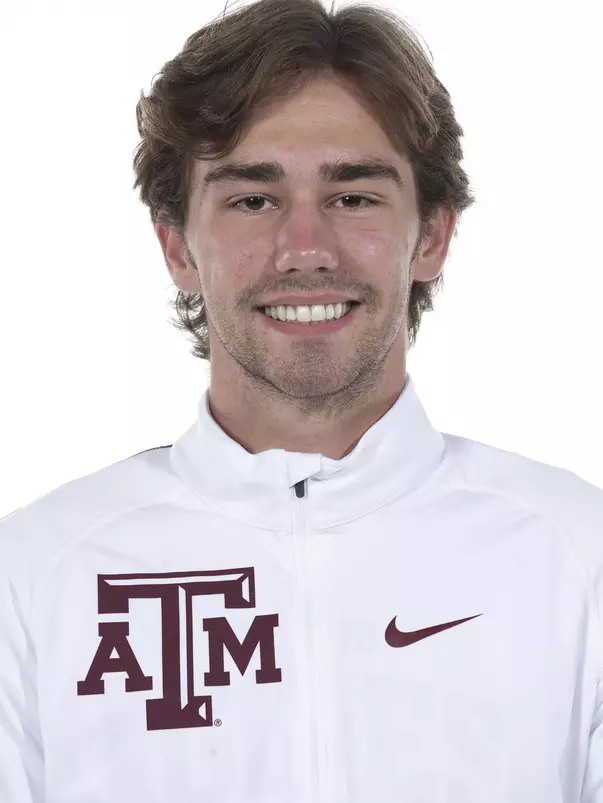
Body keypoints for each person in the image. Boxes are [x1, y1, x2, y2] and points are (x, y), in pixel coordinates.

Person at [1, 0, 602, 800]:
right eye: (253, 199)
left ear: (430, 236)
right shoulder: (36, 576)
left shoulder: (575, 557)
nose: (306, 248)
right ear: (178, 245)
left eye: (353, 196)